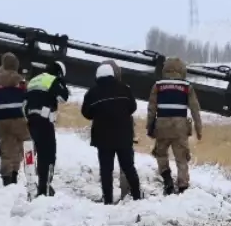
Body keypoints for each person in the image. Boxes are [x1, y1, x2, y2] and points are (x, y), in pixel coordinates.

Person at [81, 62, 141, 204]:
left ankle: (107, 200)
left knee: (106, 170)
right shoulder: (125, 89)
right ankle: (137, 196)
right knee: (128, 167)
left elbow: (86, 113)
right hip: (124, 136)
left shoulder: (92, 93)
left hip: (103, 139)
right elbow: (133, 107)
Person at [147, 56, 203, 195]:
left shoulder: (158, 86)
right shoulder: (187, 87)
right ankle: (183, 186)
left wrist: (150, 127)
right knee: (182, 158)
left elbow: (151, 109)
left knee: (161, 154)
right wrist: (198, 128)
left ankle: (167, 179)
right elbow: (195, 109)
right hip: (180, 128)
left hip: (162, 126)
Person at [25, 60, 69, 197]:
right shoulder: (53, 80)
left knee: (33, 154)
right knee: (48, 154)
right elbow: (63, 97)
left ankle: (33, 185)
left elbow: (24, 103)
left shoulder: (33, 80)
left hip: (31, 121)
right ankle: (44, 188)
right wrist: (61, 83)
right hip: (44, 121)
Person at [0, 52, 29, 186]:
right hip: (20, 121)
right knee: (19, 147)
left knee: (6, 150)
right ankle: (15, 176)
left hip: (3, 121)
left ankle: (6, 178)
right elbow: (28, 100)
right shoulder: (21, 81)